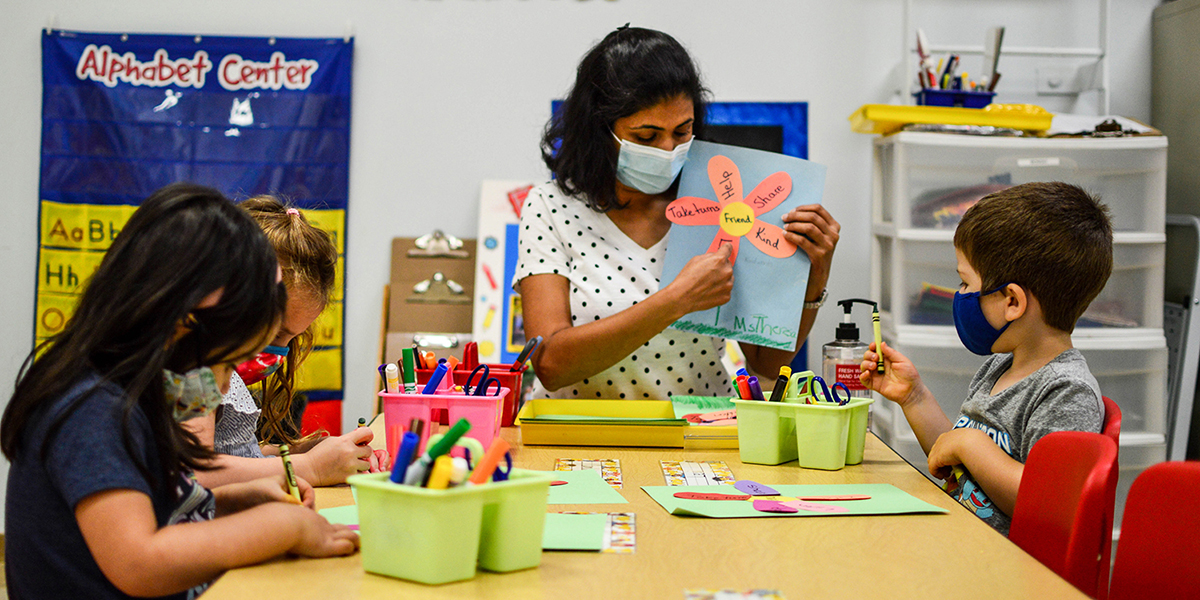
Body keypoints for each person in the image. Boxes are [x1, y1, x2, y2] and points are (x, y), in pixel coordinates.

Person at [2, 184, 358, 599]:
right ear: (183, 321)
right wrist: (284, 528)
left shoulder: (138, 389)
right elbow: (139, 562)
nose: (224, 385)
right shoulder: (93, 407)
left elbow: (162, 503)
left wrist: (238, 499)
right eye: (224, 364)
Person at [515, 26, 840, 401]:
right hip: (579, 437)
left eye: (682, 131)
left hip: (696, 437)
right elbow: (551, 364)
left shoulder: (721, 204)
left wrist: (812, 279)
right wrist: (674, 301)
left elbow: (766, 364)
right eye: (646, 137)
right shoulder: (551, 207)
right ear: (600, 131)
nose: (668, 149)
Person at [859, 181, 1111, 534]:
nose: (959, 295)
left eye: (965, 283)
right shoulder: (999, 366)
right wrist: (914, 398)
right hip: (962, 544)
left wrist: (972, 444)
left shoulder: (1067, 391)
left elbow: (1050, 503)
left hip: (1010, 573)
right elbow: (959, 464)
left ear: (1012, 301)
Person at [186, 195, 377, 489]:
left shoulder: (220, 367)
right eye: (275, 333)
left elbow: (232, 452)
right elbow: (195, 474)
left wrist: (297, 453)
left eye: (292, 337)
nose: (277, 352)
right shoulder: (194, 368)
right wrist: (309, 467)